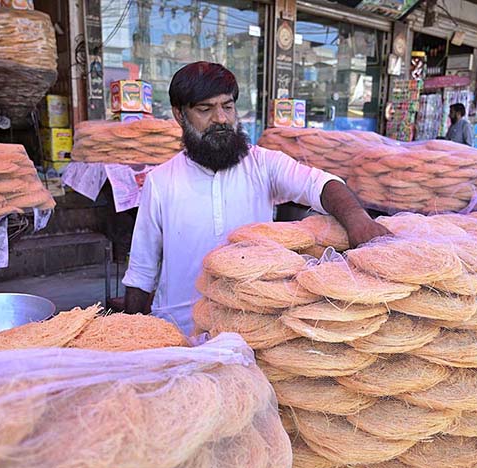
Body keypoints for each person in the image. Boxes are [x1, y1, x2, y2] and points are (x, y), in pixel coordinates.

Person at [122, 62, 390, 334]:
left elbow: (320, 184)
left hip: (250, 327)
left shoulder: (263, 164)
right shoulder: (160, 181)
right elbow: (141, 273)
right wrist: (132, 337)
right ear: (180, 115)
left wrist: (358, 219)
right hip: (180, 329)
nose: (221, 118)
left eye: (227, 106)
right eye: (205, 109)